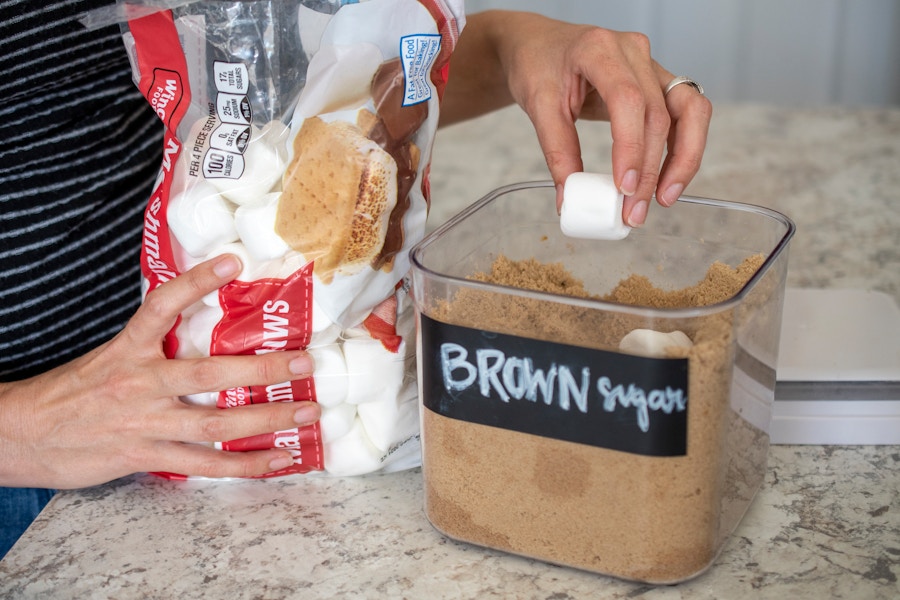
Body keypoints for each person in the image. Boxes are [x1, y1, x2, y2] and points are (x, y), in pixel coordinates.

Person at [0, 1, 711, 557]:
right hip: (31, 486)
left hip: (213, 437)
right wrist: (30, 426)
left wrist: (514, 46)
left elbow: (308, 99)